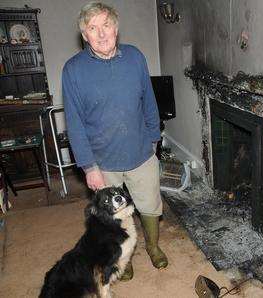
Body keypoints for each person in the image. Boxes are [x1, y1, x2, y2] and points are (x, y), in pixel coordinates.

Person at [62, 2, 168, 280]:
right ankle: (123, 257)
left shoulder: (135, 57)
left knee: (150, 204)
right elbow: (74, 124)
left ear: (116, 27)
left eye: (105, 25)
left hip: (140, 151)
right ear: (85, 35)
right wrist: (88, 166)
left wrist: (154, 138)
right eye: (92, 28)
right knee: (112, 216)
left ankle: (153, 246)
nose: (100, 33)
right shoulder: (73, 70)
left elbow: (149, 102)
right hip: (102, 160)